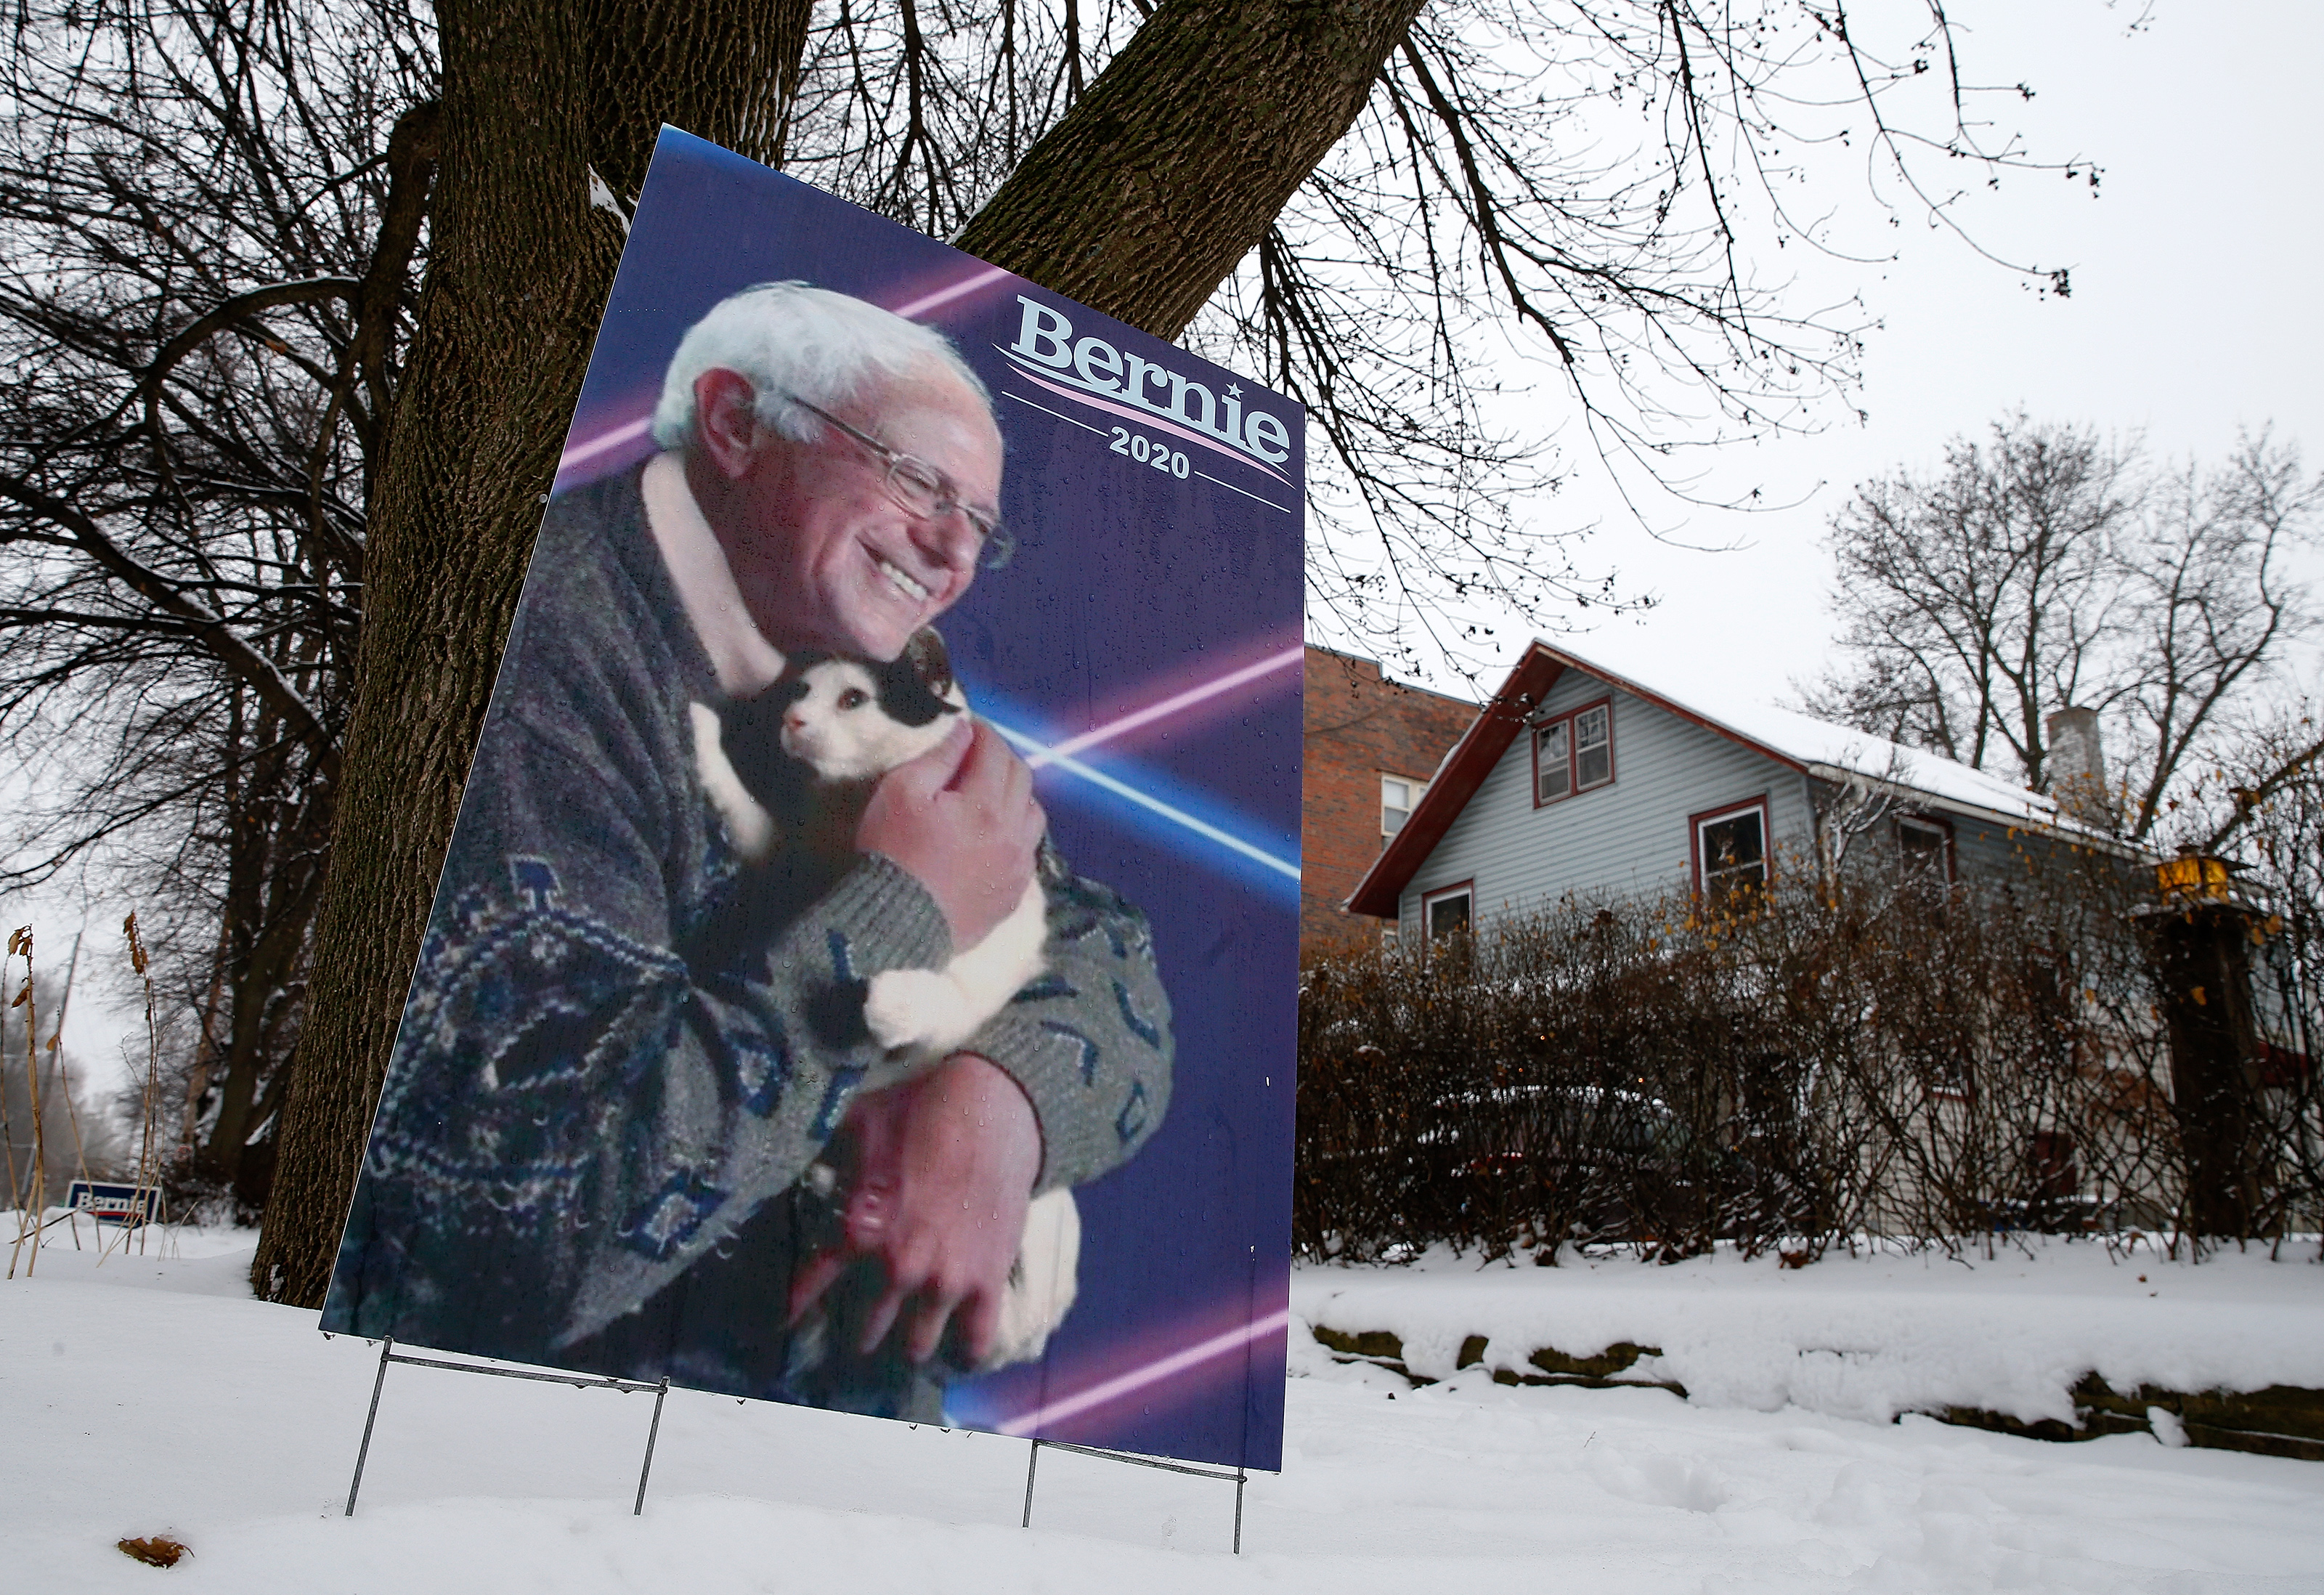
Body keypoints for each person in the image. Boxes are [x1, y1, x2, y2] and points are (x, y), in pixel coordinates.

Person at [322, 283, 1174, 1420]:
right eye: (921, 480)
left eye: (981, 519)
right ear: (735, 425)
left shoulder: (870, 657)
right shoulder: (543, 664)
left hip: (827, 1474)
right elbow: (514, 1238)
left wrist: (997, 1111)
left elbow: (1107, 953)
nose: (953, 550)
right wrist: (898, 912)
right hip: (540, 1475)